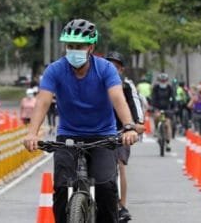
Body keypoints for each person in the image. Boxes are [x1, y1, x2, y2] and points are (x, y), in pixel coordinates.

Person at [23, 18, 138, 223]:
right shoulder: (55, 70)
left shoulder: (105, 69)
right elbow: (42, 102)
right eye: (70, 46)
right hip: (68, 135)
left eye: (79, 46)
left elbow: (118, 98)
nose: (74, 50)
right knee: (61, 188)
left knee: (105, 188)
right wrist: (32, 133)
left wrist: (128, 127)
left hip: (103, 135)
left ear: (91, 47)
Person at [105, 51, 144, 223]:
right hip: (96, 132)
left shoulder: (127, 86)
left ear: (121, 69)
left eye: (115, 66)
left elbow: (135, 105)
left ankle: (121, 206)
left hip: (121, 132)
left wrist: (137, 124)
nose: (112, 69)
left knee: (119, 165)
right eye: (109, 65)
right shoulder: (96, 83)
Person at [151, 73, 175, 151]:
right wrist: (153, 107)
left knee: (167, 124)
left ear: (167, 80)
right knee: (156, 116)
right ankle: (156, 130)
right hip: (157, 107)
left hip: (167, 109)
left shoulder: (170, 88)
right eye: (161, 80)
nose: (163, 82)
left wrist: (174, 107)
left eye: (164, 80)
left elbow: (173, 98)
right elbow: (153, 98)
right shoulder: (156, 88)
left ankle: (168, 142)